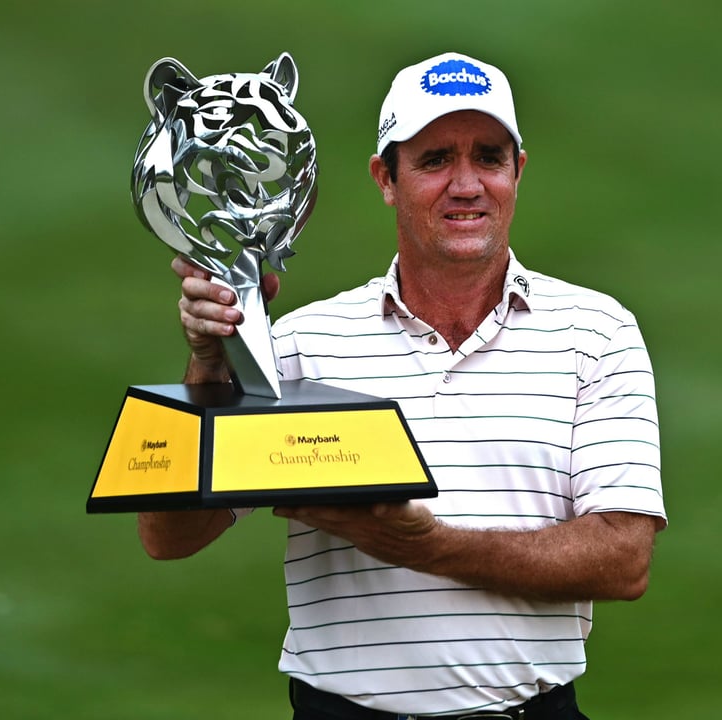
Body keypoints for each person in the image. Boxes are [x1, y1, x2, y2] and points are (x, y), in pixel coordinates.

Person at [139, 51, 667, 719]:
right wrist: (211, 370)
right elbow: (170, 535)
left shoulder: (595, 331)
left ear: (518, 171)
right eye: (436, 159)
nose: (468, 184)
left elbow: (624, 559)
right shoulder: (303, 343)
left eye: (489, 157)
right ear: (385, 178)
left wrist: (426, 546)